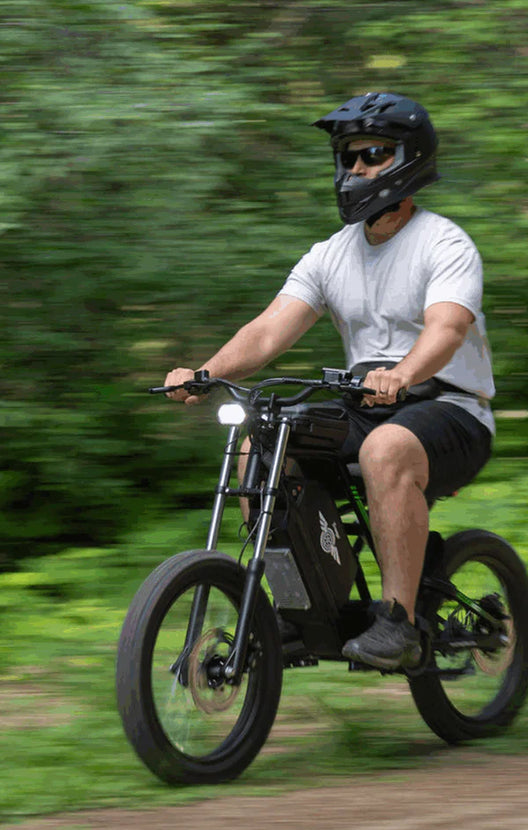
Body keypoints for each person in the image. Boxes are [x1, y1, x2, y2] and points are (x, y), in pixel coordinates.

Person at [164, 92, 494, 671]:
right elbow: (268, 333)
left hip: (450, 408)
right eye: (349, 157)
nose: (357, 169)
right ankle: (301, 612)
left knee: (385, 448)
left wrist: (403, 374)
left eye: (373, 154)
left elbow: (446, 329)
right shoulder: (329, 255)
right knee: (263, 443)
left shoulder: (445, 243)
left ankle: (398, 624)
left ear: (409, 159)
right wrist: (205, 373)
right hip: (366, 405)